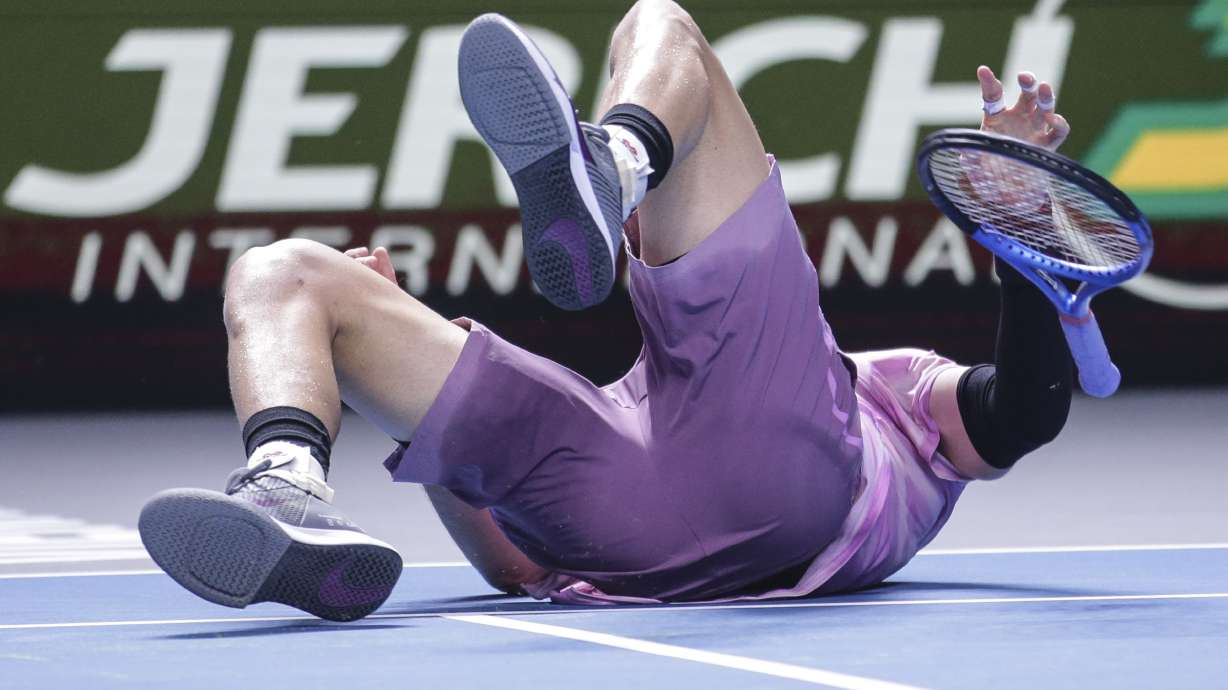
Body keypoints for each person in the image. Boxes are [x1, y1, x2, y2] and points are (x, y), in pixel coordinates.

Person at [139, 2, 1076, 621]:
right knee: (287, 275)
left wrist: (1017, 220)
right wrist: (418, 412)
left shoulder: (883, 391)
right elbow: (518, 569)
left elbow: (1019, 409)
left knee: (658, 22)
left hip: (718, 492)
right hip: (654, 513)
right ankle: (286, 480)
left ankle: (617, 167)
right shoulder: (892, 389)